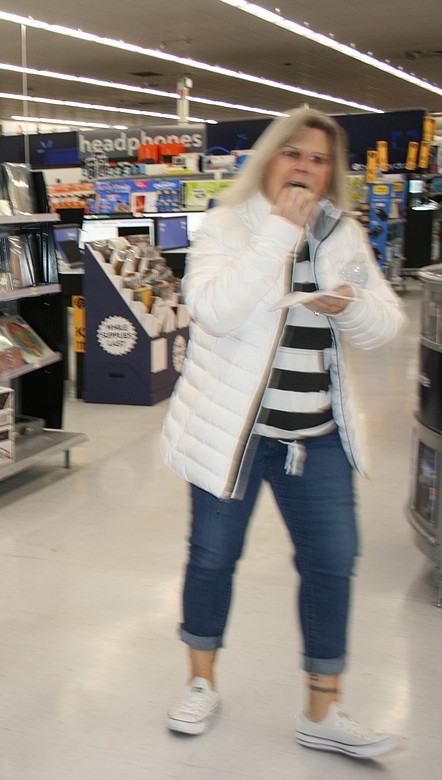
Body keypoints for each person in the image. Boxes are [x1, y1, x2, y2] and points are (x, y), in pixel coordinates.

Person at [159, 108, 405, 757]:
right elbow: (213, 308)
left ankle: (322, 712)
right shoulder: (224, 226)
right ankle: (201, 682)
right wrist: (278, 233)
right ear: (269, 158)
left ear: (332, 173)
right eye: (293, 153)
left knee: (332, 562)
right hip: (233, 436)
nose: (305, 167)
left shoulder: (342, 235)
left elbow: (388, 322)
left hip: (317, 437)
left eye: (319, 159)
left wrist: (349, 306)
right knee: (212, 558)